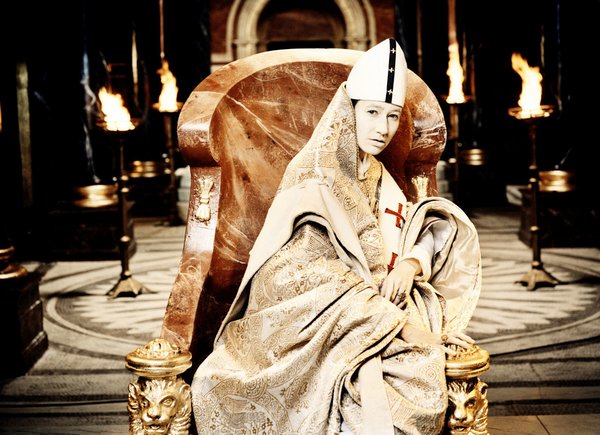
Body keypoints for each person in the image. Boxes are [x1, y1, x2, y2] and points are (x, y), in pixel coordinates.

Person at [190, 38, 482, 435]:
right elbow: (295, 274)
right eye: (372, 112)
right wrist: (399, 326)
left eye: (392, 116)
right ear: (350, 109)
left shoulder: (374, 172)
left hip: (371, 312)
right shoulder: (313, 174)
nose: (383, 128)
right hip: (311, 323)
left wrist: (410, 265)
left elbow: (417, 227)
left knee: (417, 382)